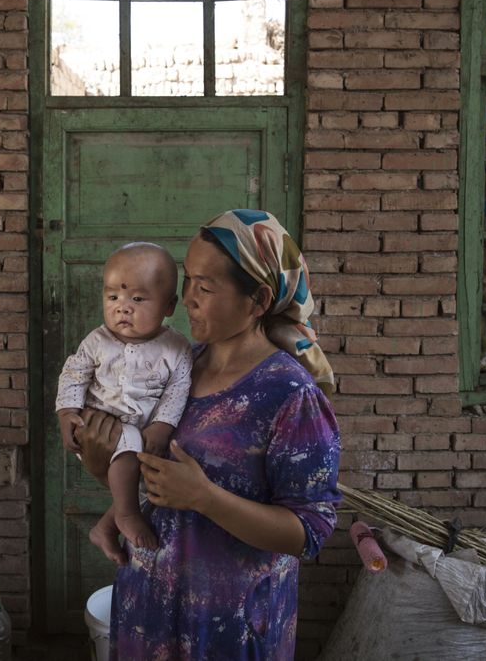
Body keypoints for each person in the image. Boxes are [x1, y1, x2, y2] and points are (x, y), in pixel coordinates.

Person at [75, 209, 340, 660]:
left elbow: (309, 531)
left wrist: (206, 498)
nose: (186, 298)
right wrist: (108, 476)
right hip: (149, 610)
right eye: (187, 280)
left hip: (228, 631)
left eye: (205, 286)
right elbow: (160, 484)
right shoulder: (180, 366)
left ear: (256, 300)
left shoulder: (288, 394)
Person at [56, 242, 192, 552]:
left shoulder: (177, 348)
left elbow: (178, 389)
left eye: (138, 298)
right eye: (113, 296)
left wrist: (162, 425)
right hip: (99, 429)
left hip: (147, 434)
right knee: (131, 457)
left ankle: (105, 527)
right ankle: (127, 516)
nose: (123, 307)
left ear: (169, 306)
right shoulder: (97, 340)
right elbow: (74, 374)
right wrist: (66, 412)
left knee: (148, 484)